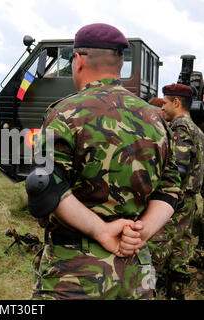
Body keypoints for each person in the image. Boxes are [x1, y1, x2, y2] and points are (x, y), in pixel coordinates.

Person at [27, 23, 181, 300]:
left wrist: (101, 230)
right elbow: (170, 189)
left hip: (74, 272)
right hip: (136, 269)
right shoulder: (156, 118)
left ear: (78, 60)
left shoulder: (64, 114)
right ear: (120, 63)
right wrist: (140, 233)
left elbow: (45, 187)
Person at [148, 84, 204, 299]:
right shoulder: (197, 129)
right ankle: (176, 295)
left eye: (164, 103)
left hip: (175, 201)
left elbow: (176, 170)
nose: (162, 108)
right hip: (189, 202)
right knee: (180, 252)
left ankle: (148, 292)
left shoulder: (180, 128)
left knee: (154, 249)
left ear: (176, 103)